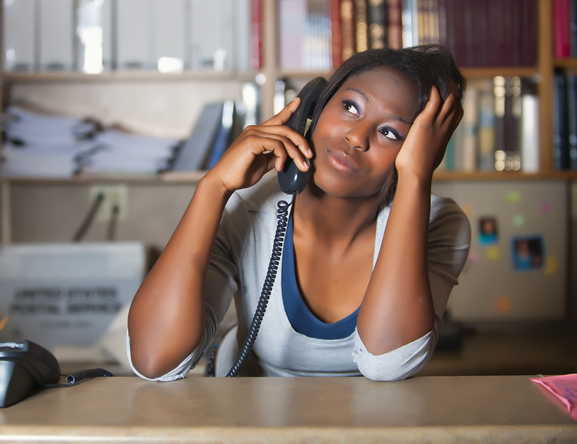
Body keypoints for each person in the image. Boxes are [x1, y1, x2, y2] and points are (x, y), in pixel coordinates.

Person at [127, 44, 471, 381]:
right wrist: (213, 186)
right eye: (350, 107)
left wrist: (416, 177)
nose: (356, 137)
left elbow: (387, 363)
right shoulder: (248, 210)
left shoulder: (439, 223)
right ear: (313, 108)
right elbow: (154, 359)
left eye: (390, 132)